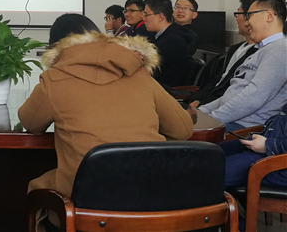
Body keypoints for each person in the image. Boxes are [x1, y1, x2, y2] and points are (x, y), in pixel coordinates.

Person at [18, 13, 193, 198]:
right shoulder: (138, 72)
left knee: (37, 187)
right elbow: (183, 129)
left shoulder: (54, 79)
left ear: (54, 47)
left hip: (87, 194)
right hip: (152, 190)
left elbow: (30, 123)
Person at [199, 0, 287, 131]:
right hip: (229, 120)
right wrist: (201, 112)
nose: (247, 22)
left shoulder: (280, 49)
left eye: (250, 15)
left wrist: (210, 120)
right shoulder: (262, 49)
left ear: (269, 16)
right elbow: (230, 94)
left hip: (244, 128)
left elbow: (253, 97)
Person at [190, 0, 258, 106]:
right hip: (209, 102)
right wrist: (198, 100)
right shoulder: (235, 48)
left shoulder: (259, 52)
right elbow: (219, 79)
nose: (236, 18)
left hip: (225, 105)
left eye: (238, 13)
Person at [220, 102, 287, 189]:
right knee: (211, 153)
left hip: (279, 163)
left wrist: (266, 145)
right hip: (270, 145)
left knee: (212, 174)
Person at [142, 0, 196, 87]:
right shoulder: (162, 35)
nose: (143, 18)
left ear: (160, 17)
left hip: (166, 89)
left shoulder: (173, 40)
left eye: (146, 14)